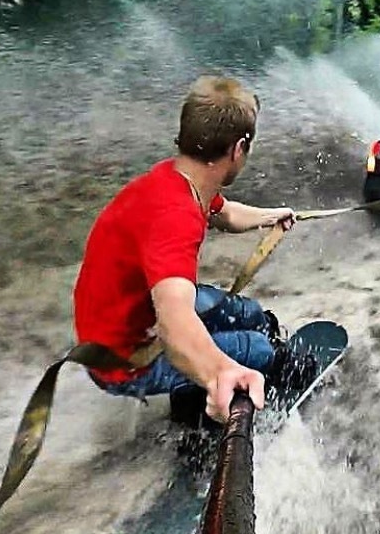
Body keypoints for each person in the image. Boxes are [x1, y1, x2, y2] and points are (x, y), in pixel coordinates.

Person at [73, 75, 295, 425]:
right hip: (123, 360)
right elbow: (175, 322)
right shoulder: (175, 217)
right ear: (238, 149)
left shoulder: (178, 179)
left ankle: (211, 371)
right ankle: (199, 415)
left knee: (250, 313)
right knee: (259, 348)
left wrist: (274, 216)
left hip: (121, 323)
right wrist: (220, 373)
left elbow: (227, 213)